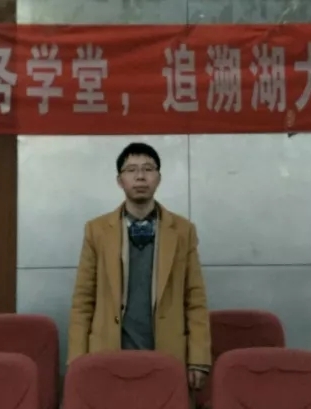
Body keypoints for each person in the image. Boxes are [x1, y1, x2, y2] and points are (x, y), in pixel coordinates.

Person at [67, 142, 211, 391]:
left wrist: (198, 359)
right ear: (119, 180)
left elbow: (195, 299)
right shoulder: (96, 231)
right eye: (131, 170)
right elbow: (83, 301)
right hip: (109, 352)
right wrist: (77, 361)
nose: (140, 176)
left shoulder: (183, 231)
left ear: (158, 178)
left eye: (148, 169)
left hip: (166, 353)